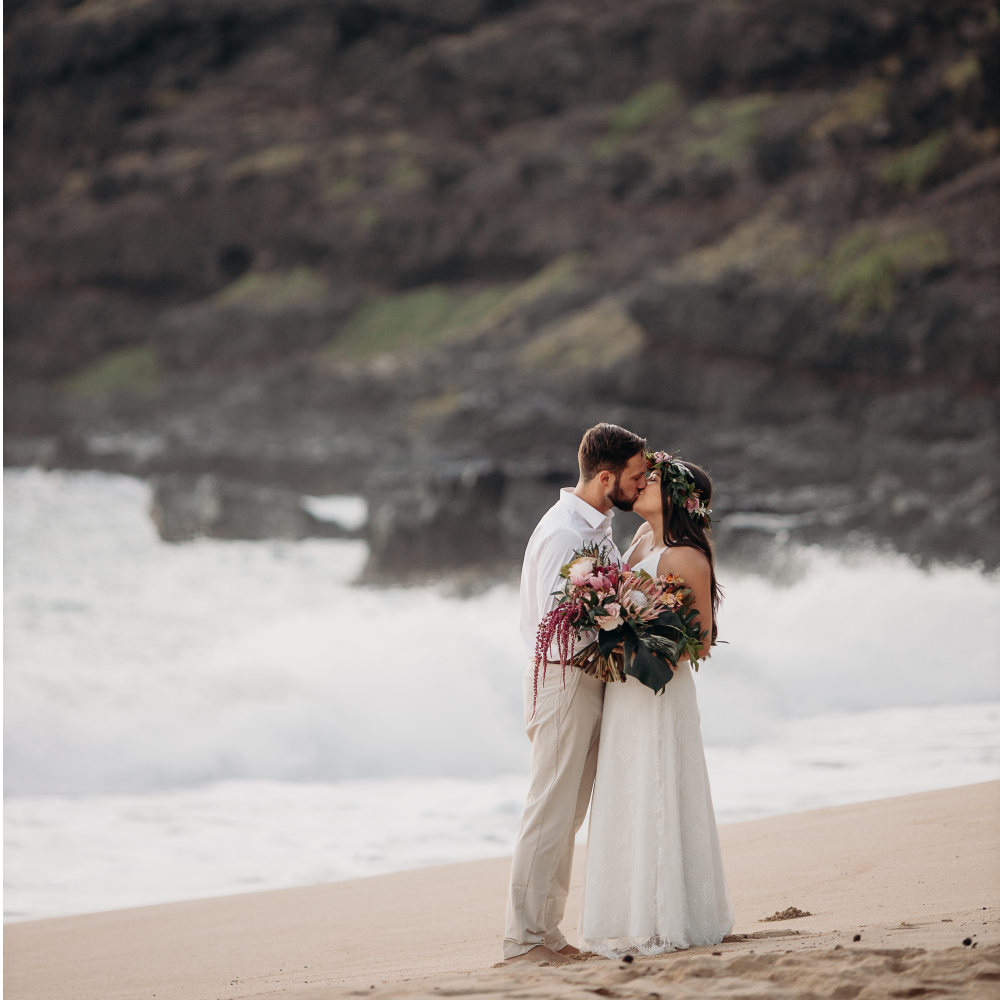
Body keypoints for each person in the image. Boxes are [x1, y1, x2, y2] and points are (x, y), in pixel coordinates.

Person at [503, 422, 648, 964]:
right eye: (634, 477)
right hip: (563, 679)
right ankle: (523, 940)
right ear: (605, 476)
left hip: (588, 679)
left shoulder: (599, 526)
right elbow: (558, 626)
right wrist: (626, 625)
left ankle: (547, 933)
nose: (639, 486)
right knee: (549, 810)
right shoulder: (565, 531)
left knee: (568, 813)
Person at [580, 454, 735, 956]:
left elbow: (703, 642)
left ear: (675, 496)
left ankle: (669, 916)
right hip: (628, 687)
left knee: (659, 782)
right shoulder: (644, 541)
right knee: (630, 785)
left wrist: (639, 639)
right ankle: (634, 910)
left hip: (659, 688)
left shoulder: (687, 555)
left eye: (653, 479)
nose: (641, 484)